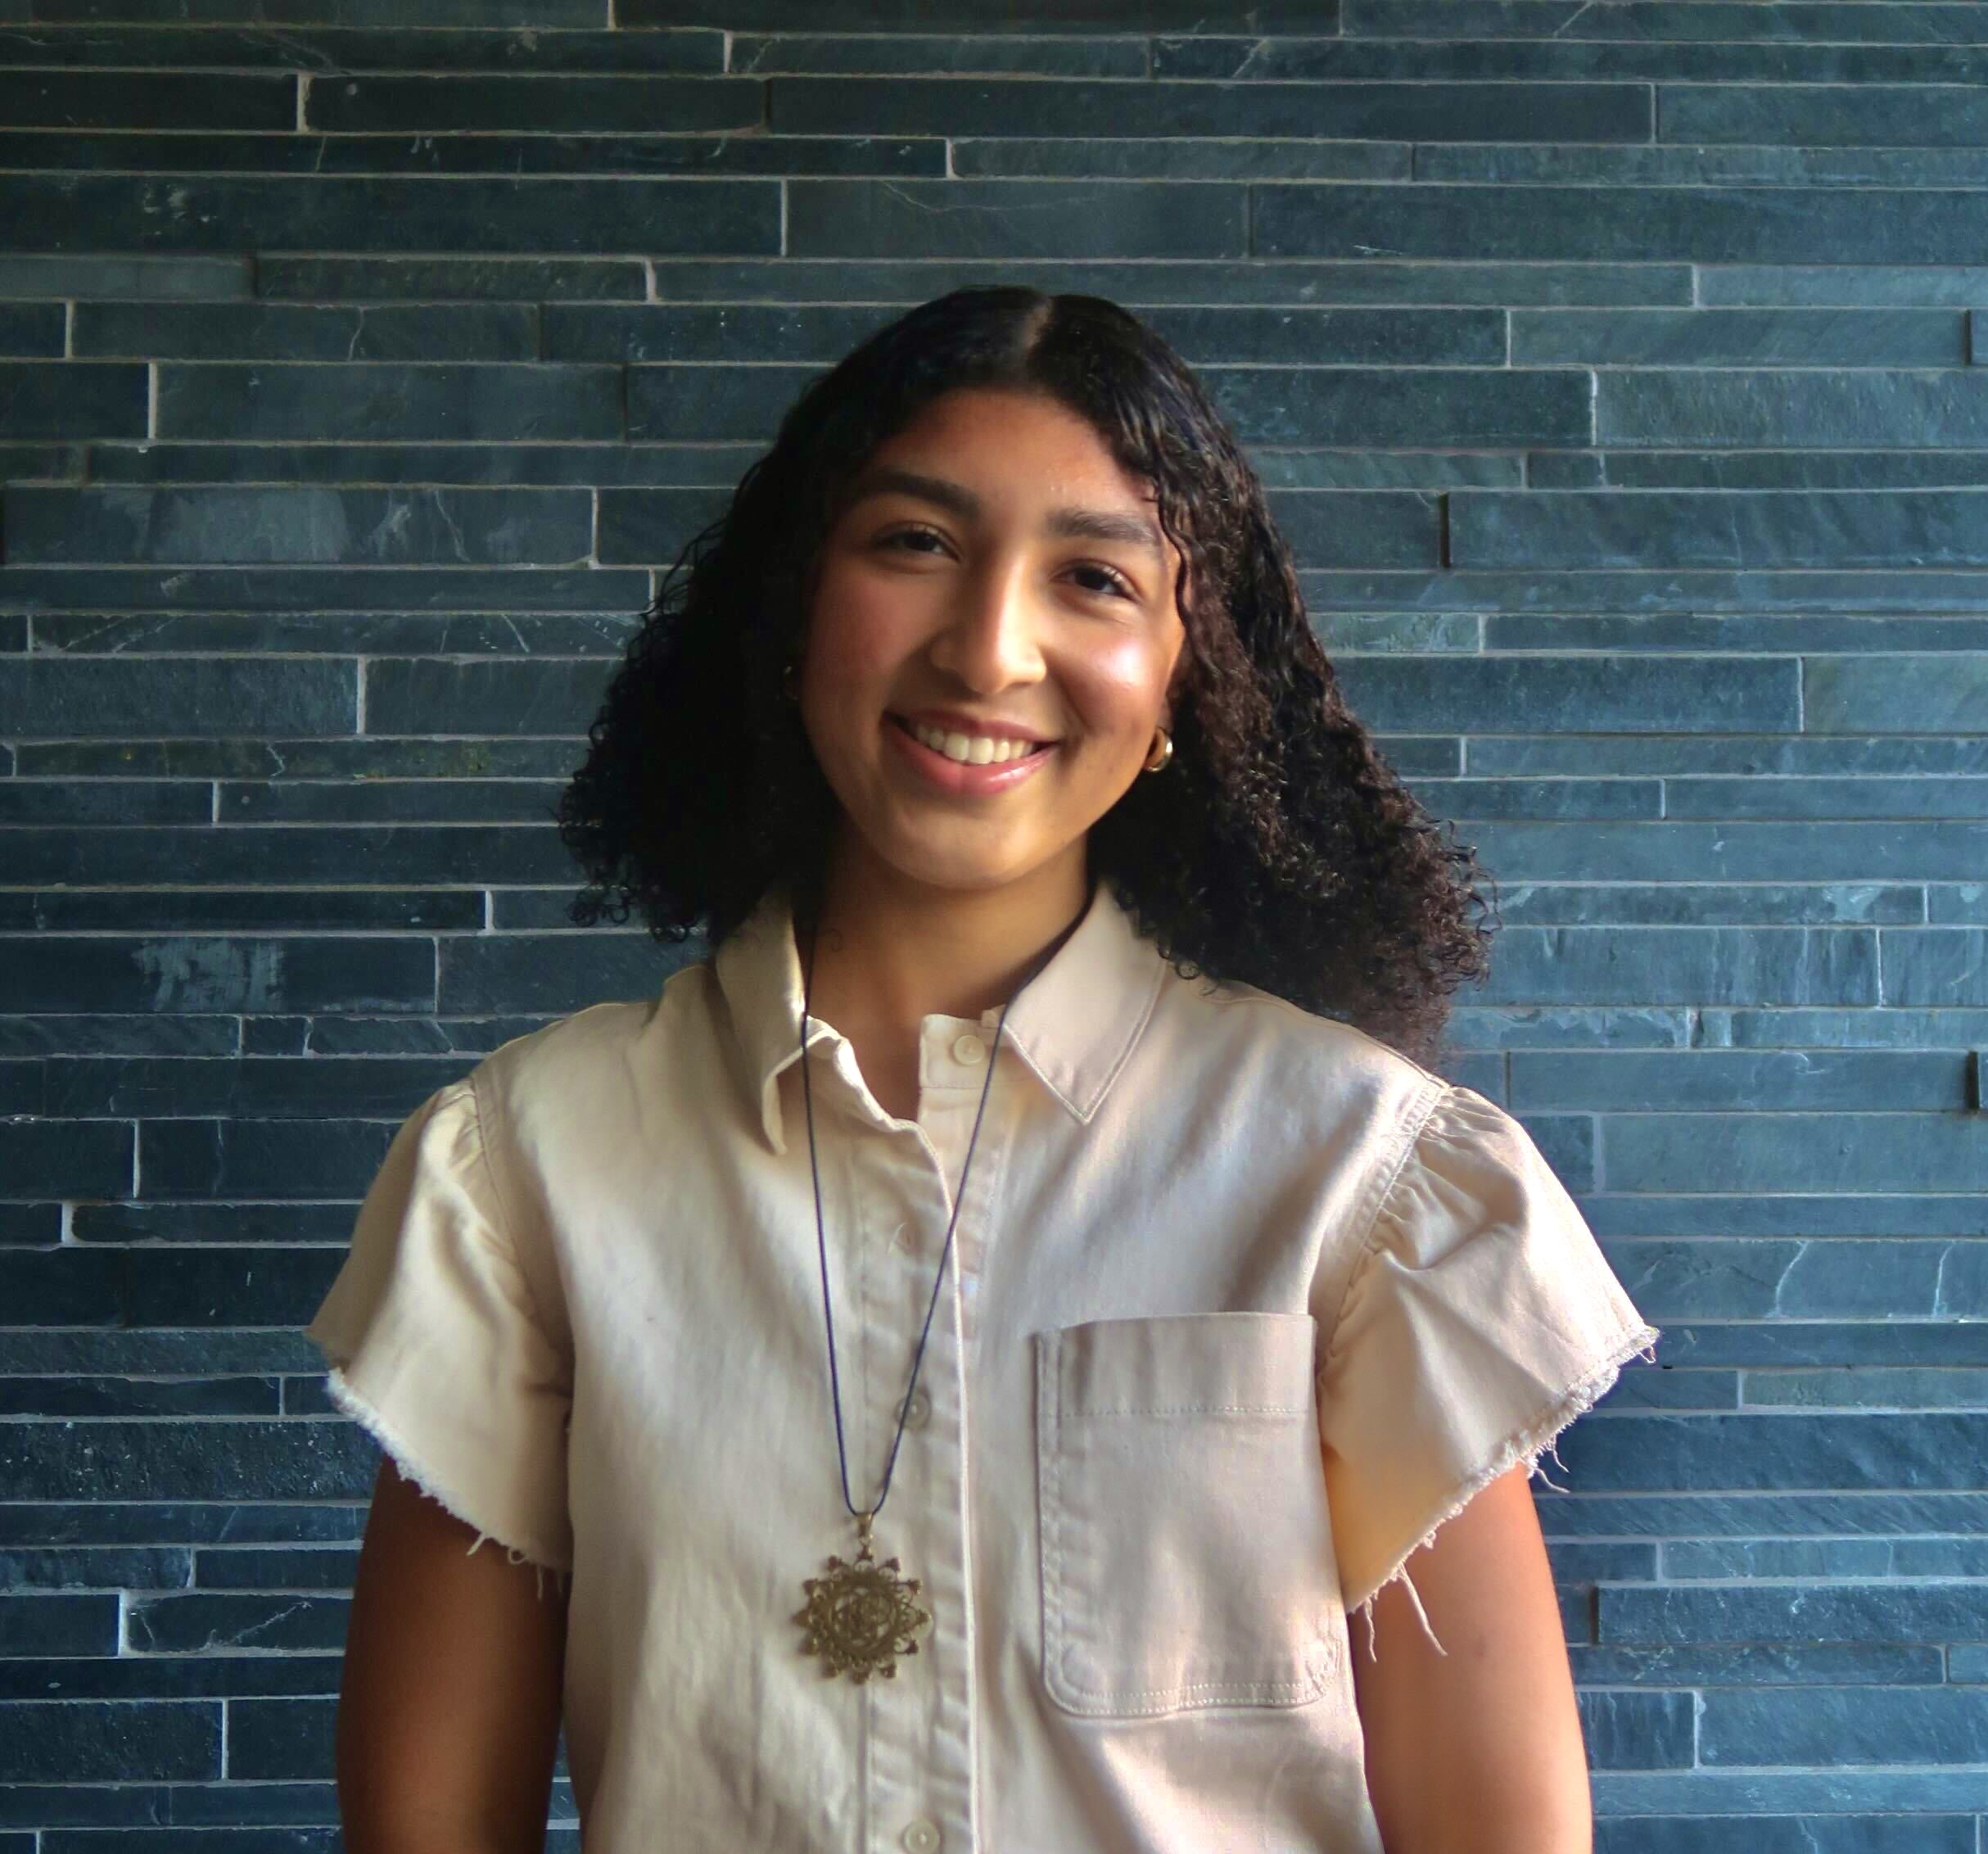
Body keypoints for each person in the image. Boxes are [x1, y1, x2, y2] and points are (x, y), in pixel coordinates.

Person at [305, 285, 1660, 1854]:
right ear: (795, 605)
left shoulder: (1366, 1180)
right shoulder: (523, 1174)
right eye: (915, 543)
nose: (989, 647)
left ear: (1183, 679)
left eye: (1093, 577)